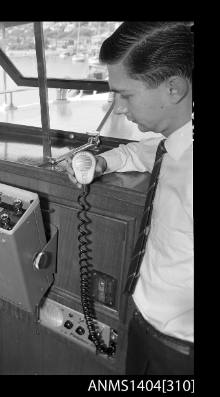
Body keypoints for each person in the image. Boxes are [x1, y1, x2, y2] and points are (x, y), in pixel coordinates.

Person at [65, 22, 193, 375]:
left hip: (180, 347)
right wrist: (104, 160)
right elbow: (145, 151)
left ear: (173, 89)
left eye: (126, 95)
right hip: (144, 317)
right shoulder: (176, 140)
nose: (119, 108)